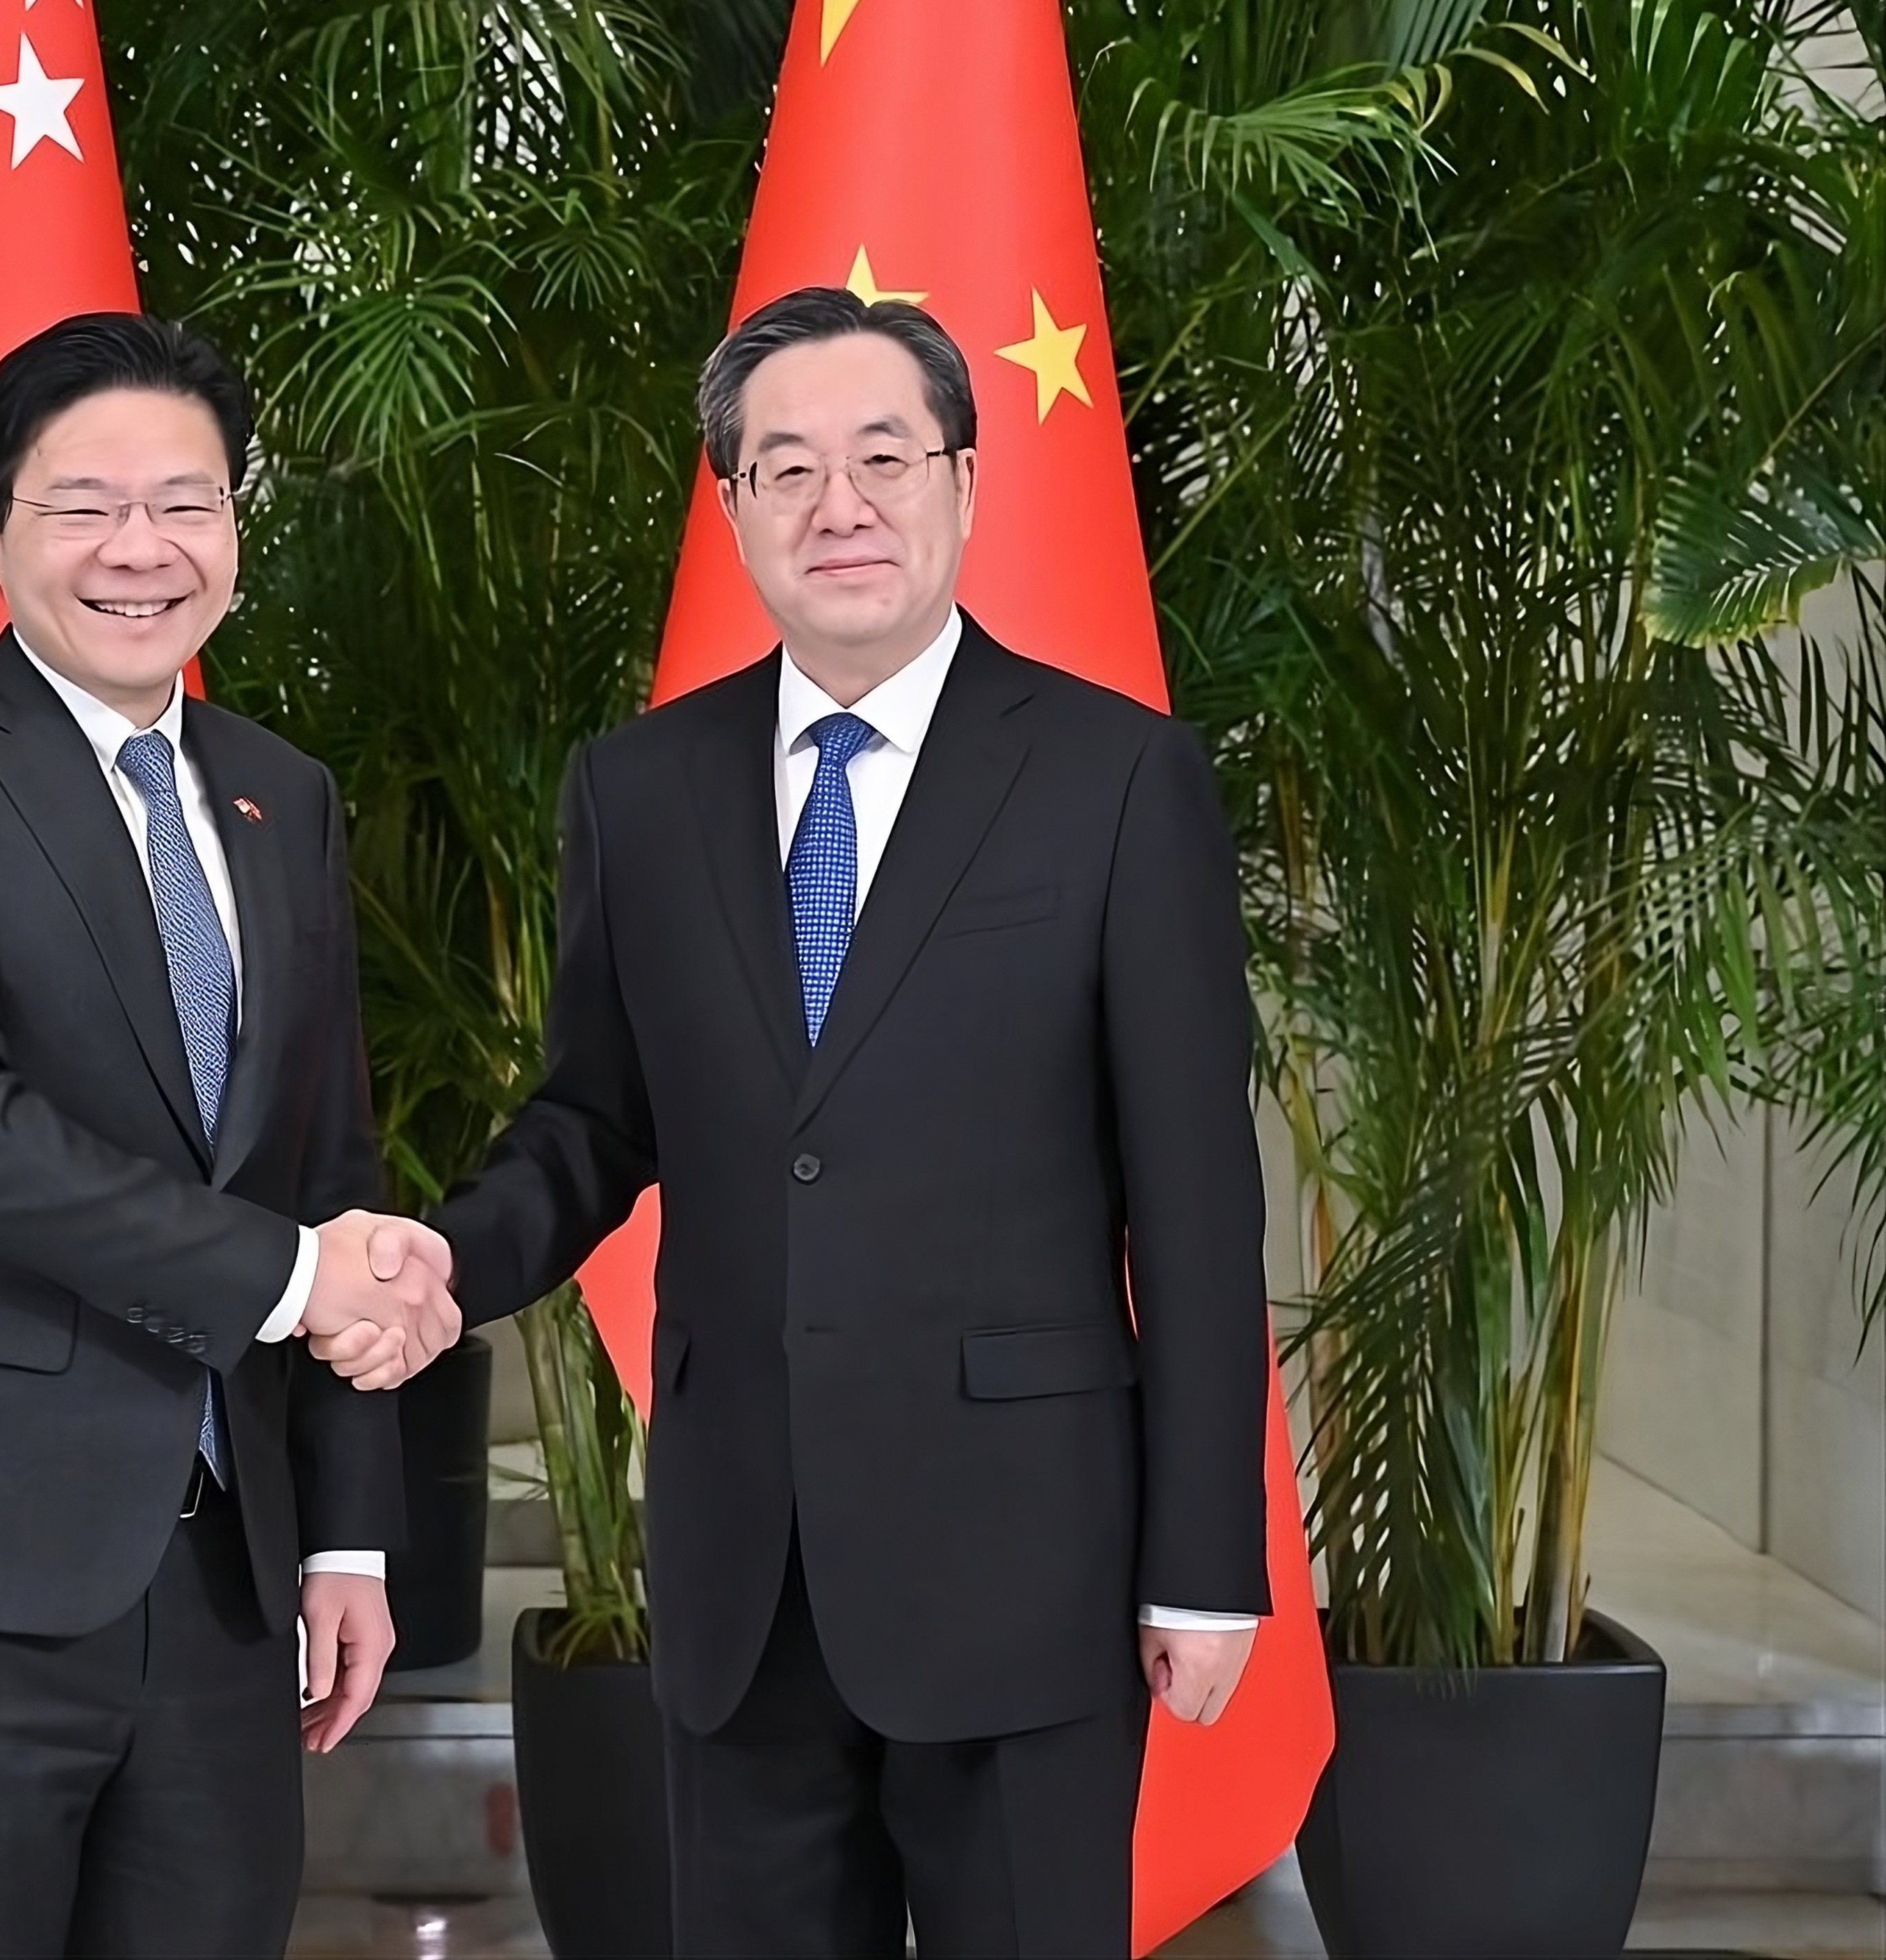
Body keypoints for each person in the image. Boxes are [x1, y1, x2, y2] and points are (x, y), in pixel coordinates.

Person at [318, 286, 1270, 1957]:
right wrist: (447, 1264)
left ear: (964, 484)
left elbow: (1196, 1203)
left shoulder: (1119, 779)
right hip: (744, 1573)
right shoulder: (642, 785)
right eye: (788, 468)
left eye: (885, 456)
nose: (842, 504)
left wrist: (1205, 1560)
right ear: (738, 508)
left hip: (1023, 1565)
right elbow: (597, 1116)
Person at [0, 312, 461, 1959]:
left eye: (187, 501)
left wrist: (347, 1534)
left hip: (226, 1587)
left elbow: (329, 1165)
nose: (139, 548)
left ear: (233, 529)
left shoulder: (279, 791)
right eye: (81, 503)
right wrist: (295, 1275)